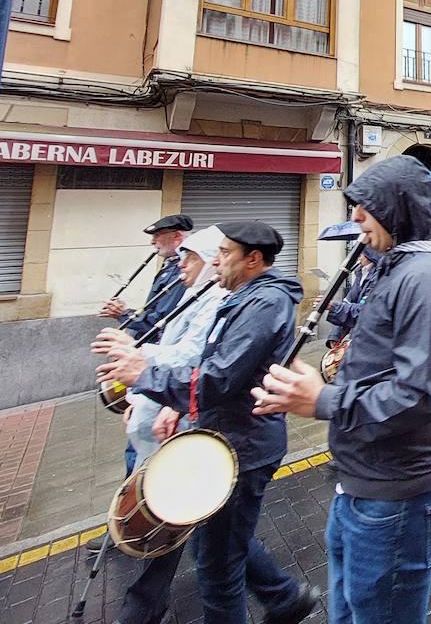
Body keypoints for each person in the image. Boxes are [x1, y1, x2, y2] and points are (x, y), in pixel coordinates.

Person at [252, 156, 431, 623]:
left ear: (395, 208)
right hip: (365, 483)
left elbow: (417, 395)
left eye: (365, 207)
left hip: (398, 494)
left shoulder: (424, 278)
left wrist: (322, 400)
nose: (354, 218)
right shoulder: (395, 267)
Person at [98, 221, 317, 624]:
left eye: (225, 253)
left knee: (218, 569)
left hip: (243, 447)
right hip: (223, 438)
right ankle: (285, 598)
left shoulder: (264, 304)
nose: (216, 261)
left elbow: (220, 377)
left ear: (253, 259)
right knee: (217, 546)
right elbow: (209, 365)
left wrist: (145, 375)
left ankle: (286, 598)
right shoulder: (244, 296)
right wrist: (178, 407)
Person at [91, 226, 228, 466]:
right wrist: (139, 395)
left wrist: (137, 348)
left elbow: (193, 356)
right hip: (161, 401)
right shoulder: (192, 289)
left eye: (191, 258)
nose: (182, 265)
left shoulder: (214, 298)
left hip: (172, 409)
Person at [100, 214, 193, 341]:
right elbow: (154, 308)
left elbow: (161, 320)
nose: (152, 241)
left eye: (157, 235)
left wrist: (123, 313)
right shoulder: (170, 264)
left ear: (176, 235)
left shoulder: (183, 270)